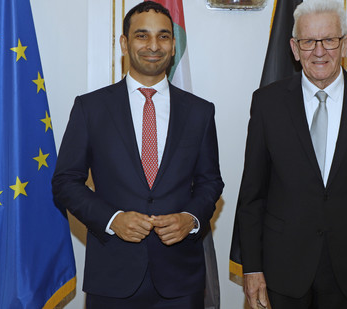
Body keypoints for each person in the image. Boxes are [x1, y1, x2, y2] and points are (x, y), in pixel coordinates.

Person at [51, 1, 223, 308]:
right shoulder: (90, 108)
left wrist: (190, 219)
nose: (153, 45)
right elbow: (65, 182)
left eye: (164, 36)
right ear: (124, 43)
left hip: (181, 281)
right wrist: (112, 219)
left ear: (173, 45)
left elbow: (210, 183)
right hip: (112, 278)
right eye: (142, 36)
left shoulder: (200, 112)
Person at [235, 0, 347, 308]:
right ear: (294, 48)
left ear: (345, 44)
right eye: (308, 41)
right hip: (283, 270)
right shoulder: (267, 104)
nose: (319, 50)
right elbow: (252, 194)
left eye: (329, 40)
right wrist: (252, 268)